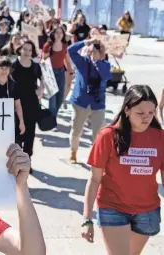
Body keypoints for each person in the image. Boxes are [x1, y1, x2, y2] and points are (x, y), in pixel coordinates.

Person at [82, 85, 164, 255]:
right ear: (127, 110)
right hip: (113, 207)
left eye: (151, 112)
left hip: (147, 210)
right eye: (140, 113)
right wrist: (87, 218)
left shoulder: (160, 137)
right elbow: (94, 178)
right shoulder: (108, 136)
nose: (146, 118)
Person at [67, 38, 112, 163]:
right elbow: (70, 50)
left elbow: (106, 76)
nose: (97, 50)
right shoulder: (83, 62)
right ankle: (73, 151)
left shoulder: (105, 65)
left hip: (98, 104)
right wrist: (86, 42)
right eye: (95, 48)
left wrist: (98, 60)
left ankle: (96, 156)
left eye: (100, 48)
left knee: (98, 133)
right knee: (76, 129)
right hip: (81, 102)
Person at [12, 40, 45, 162]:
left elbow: (43, 78)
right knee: (16, 133)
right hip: (16, 103)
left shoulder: (35, 66)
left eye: (30, 50)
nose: (27, 52)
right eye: (24, 49)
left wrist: (41, 88)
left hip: (31, 103)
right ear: (20, 49)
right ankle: (17, 160)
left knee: (30, 133)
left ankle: (27, 160)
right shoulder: (13, 65)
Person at [42, 27, 73, 117]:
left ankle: (53, 115)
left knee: (60, 97)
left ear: (63, 35)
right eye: (57, 33)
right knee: (52, 97)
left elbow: (67, 60)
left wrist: (70, 71)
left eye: (61, 33)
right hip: (49, 72)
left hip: (61, 71)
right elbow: (43, 60)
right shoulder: (47, 45)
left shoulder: (64, 45)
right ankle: (52, 118)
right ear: (53, 34)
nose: (59, 35)